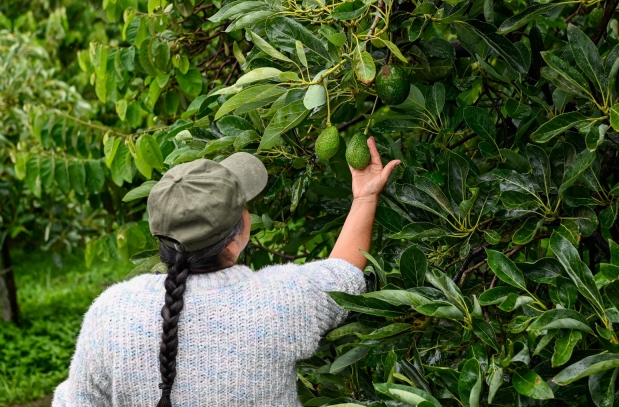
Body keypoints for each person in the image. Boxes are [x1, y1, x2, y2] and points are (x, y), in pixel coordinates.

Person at [52, 136, 401, 407]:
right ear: (238, 236)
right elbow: (344, 273)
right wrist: (365, 197)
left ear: (159, 235)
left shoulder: (111, 312)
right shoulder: (282, 298)